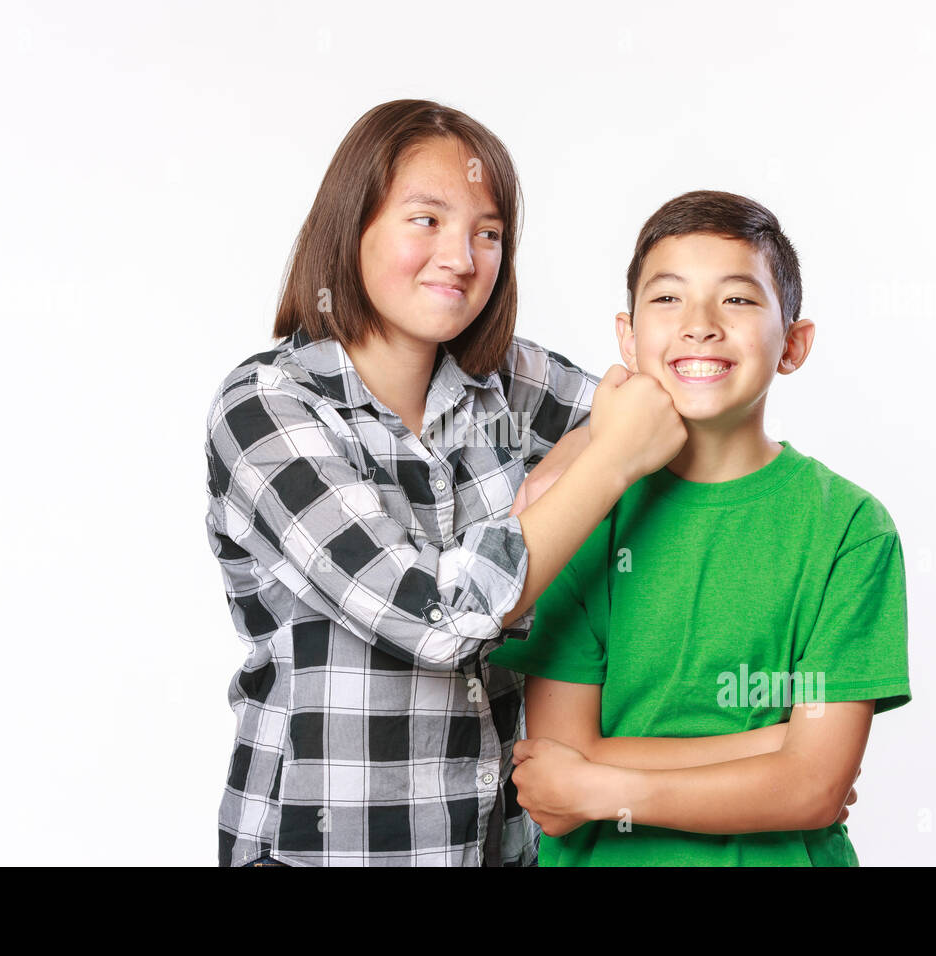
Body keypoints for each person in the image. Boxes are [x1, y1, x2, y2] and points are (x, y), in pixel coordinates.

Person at [202, 99, 696, 866]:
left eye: (488, 232)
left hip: (497, 847)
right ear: (351, 223)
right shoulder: (267, 406)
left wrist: (578, 459)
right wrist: (601, 465)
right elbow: (435, 617)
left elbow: (660, 406)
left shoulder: (508, 383)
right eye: (426, 220)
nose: (462, 256)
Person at [488, 190, 911, 866]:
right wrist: (777, 744)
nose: (700, 325)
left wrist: (600, 783)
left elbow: (813, 790)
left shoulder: (851, 528)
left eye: (738, 299)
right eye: (668, 299)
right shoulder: (582, 519)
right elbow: (555, 777)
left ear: (794, 344)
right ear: (627, 339)